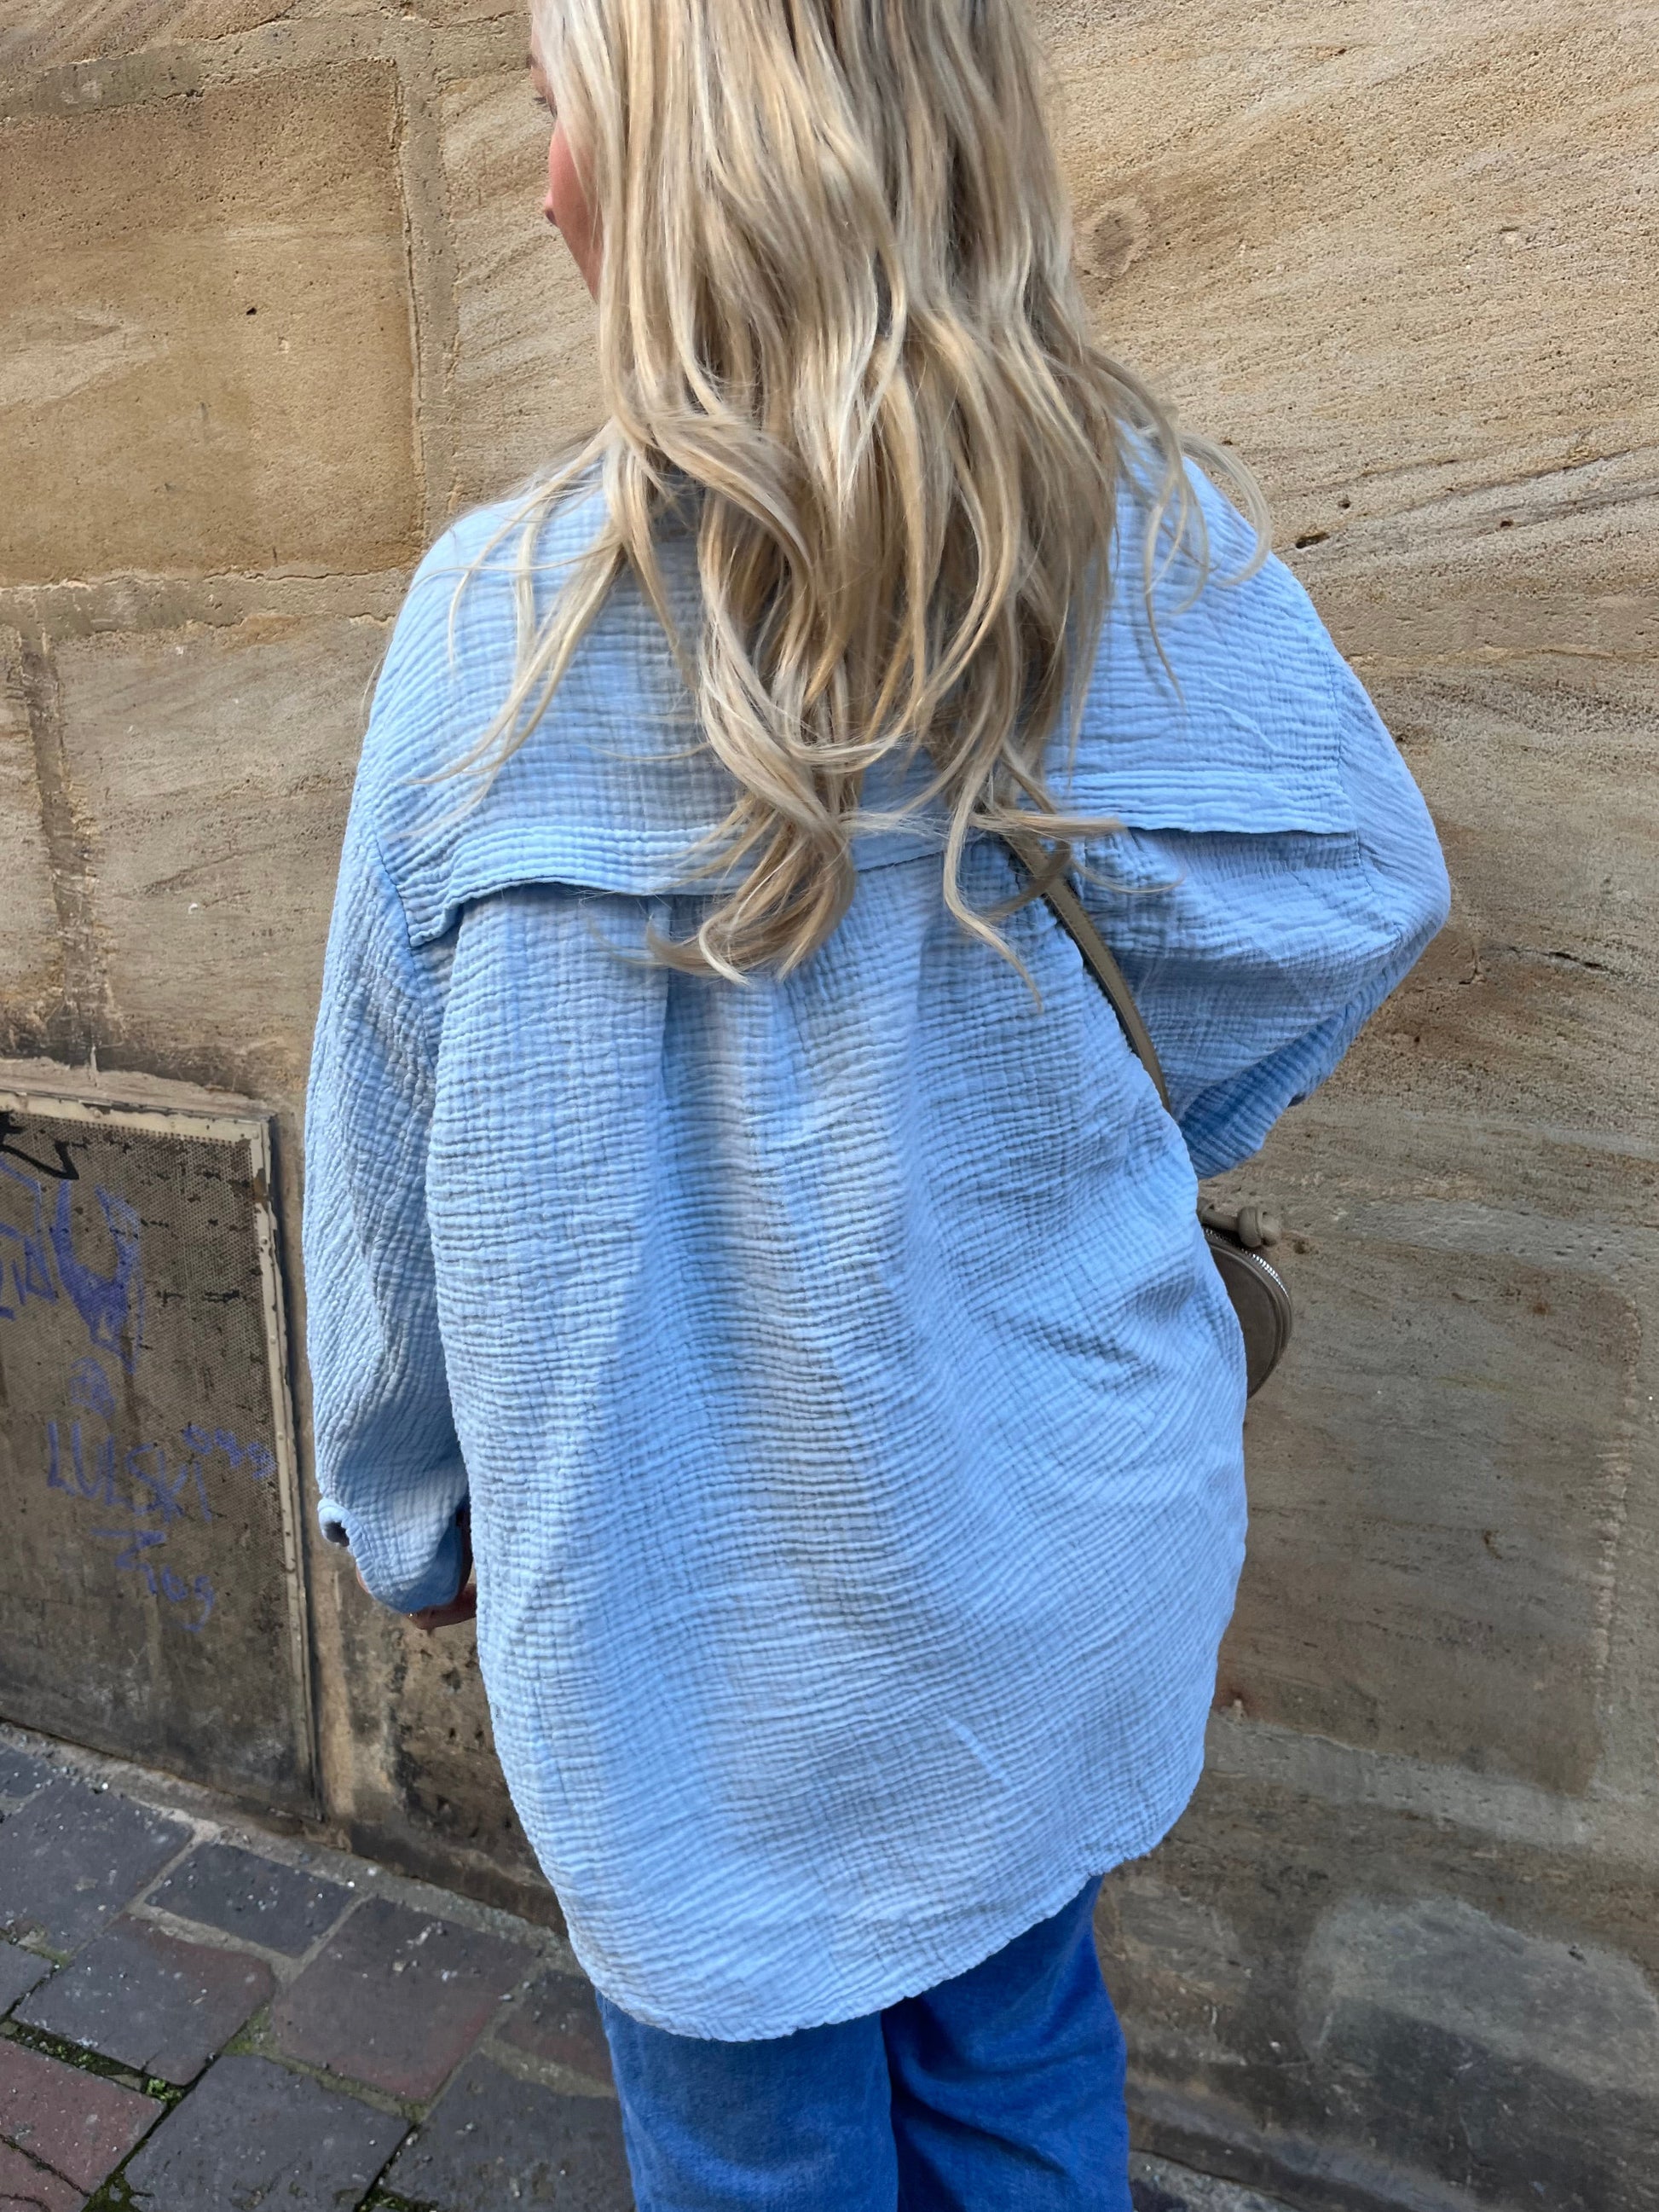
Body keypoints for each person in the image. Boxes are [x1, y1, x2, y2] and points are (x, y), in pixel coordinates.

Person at [302, 1, 1450, 2204]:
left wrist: (412, 1510)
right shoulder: (1127, 543)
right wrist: (1102, 1144)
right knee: (1019, 2065)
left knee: (756, 2141)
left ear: (692, 157)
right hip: (1032, 1550)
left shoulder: (498, 631)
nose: (537, 181)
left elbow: (388, 1152)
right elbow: (1349, 887)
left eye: (561, 112)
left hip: (682, 1630)